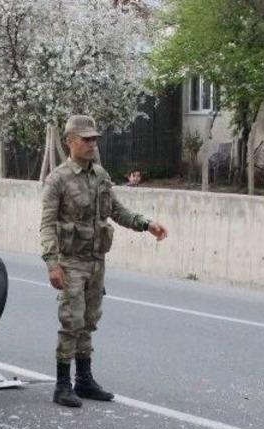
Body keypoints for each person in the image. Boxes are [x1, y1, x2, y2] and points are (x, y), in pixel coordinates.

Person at [40, 114, 168, 407]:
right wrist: (52, 263)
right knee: (71, 322)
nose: (91, 144)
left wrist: (146, 224)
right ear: (70, 141)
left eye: (94, 139)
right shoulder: (57, 179)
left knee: (89, 321)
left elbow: (116, 210)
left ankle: (83, 380)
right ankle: (62, 385)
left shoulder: (100, 176)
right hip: (71, 261)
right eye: (85, 139)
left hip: (96, 260)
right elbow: (47, 224)